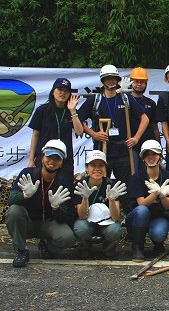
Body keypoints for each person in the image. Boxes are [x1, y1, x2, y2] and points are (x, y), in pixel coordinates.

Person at [5, 139, 75, 267]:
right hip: (28, 222)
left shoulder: (62, 183)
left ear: (61, 163)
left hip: (47, 224)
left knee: (67, 237)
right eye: (49, 157)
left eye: (57, 158)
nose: (52, 161)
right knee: (14, 211)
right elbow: (11, 200)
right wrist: (24, 196)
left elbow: (65, 216)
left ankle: (47, 247)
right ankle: (21, 250)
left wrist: (56, 208)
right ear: (42, 158)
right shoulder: (27, 174)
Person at [78, 64, 149, 189]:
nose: (111, 81)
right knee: (101, 183)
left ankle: (126, 208)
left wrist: (136, 138)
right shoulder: (95, 100)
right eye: (107, 78)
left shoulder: (125, 98)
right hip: (103, 149)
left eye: (113, 78)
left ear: (117, 80)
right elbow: (78, 120)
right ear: (103, 81)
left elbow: (145, 118)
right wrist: (93, 134)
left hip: (123, 149)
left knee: (126, 185)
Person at [126, 140, 169, 261]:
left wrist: (162, 195)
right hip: (139, 217)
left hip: (159, 216)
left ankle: (158, 244)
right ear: (143, 158)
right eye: (147, 155)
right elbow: (141, 204)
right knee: (142, 211)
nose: (151, 158)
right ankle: (138, 246)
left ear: (160, 156)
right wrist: (155, 193)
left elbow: (168, 206)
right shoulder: (137, 177)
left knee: (159, 234)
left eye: (154, 154)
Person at [72, 150, 127, 258]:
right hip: (87, 222)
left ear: (105, 168)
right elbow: (82, 216)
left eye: (101, 165)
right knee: (80, 227)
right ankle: (84, 245)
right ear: (87, 168)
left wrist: (111, 199)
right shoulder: (79, 185)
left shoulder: (112, 185)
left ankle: (109, 246)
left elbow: (115, 217)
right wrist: (85, 198)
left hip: (107, 222)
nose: (97, 169)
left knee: (115, 230)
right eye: (93, 165)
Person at [28, 78, 83, 179]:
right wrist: (31, 160)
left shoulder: (71, 111)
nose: (63, 93)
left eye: (66, 91)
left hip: (65, 159)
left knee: (65, 189)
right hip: (45, 157)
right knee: (42, 188)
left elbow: (79, 132)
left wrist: (73, 111)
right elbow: (35, 135)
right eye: (60, 90)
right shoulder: (42, 110)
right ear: (53, 92)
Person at [125, 67, 161, 171]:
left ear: (146, 84)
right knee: (133, 174)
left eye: (142, 82)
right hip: (131, 145)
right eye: (136, 82)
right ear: (131, 83)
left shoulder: (150, 103)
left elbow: (154, 127)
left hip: (148, 146)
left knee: (149, 174)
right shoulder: (125, 101)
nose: (139, 85)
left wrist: (158, 146)